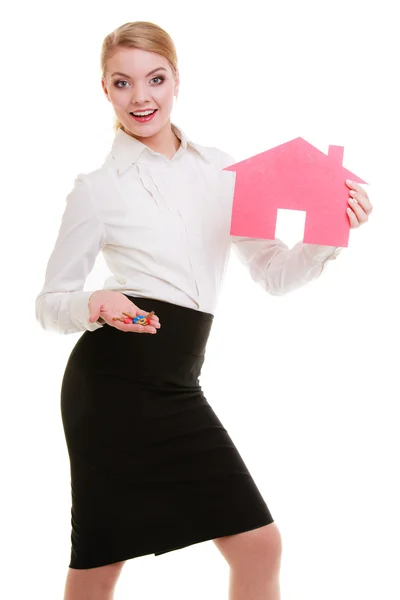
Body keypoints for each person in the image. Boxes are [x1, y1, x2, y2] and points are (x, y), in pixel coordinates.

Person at [35, 20, 373, 600]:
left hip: (176, 383)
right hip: (111, 387)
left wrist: (330, 233)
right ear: (106, 90)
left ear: (175, 81)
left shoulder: (223, 172)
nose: (140, 97)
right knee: (100, 559)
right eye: (123, 82)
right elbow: (48, 305)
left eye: (154, 79)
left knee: (259, 545)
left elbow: (272, 273)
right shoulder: (97, 187)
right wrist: (96, 301)